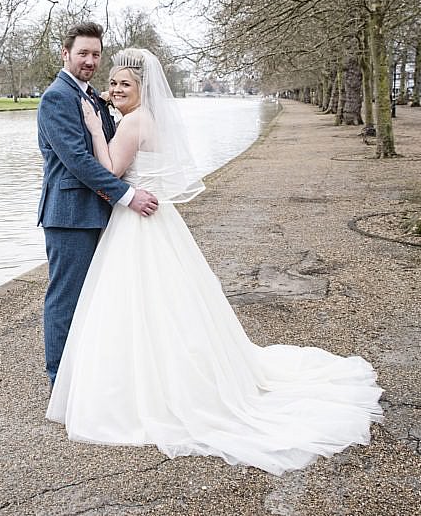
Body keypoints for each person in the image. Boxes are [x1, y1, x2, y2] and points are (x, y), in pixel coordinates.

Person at [46, 48, 383, 475]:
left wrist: (95, 129)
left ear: (143, 88)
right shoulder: (140, 118)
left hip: (136, 224)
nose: (114, 90)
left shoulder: (132, 121)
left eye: (123, 84)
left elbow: (111, 167)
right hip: (151, 219)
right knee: (160, 302)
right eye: (112, 83)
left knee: (135, 301)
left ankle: (136, 386)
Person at [36, 23, 160, 386]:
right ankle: (60, 380)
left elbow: (109, 146)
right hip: (70, 215)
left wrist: (112, 104)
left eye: (95, 55)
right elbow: (77, 159)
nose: (90, 61)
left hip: (99, 212)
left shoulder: (92, 96)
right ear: (65, 53)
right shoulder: (58, 97)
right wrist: (128, 195)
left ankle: (91, 369)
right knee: (66, 297)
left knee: (98, 297)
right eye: (82, 53)